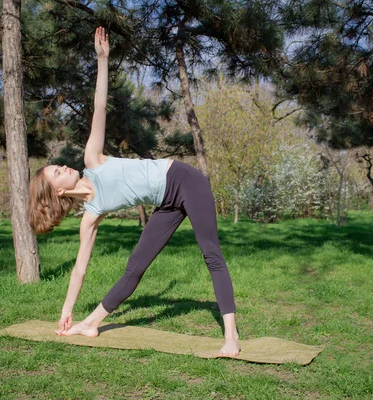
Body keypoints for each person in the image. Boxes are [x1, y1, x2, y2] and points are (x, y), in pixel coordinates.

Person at [27, 27, 240, 357]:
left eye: (58, 165)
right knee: (135, 266)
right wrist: (66, 311)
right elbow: (79, 269)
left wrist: (102, 61)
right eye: (57, 172)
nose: (63, 167)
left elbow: (99, 108)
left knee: (211, 252)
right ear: (56, 192)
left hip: (185, 180)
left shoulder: (92, 159)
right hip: (165, 203)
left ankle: (231, 340)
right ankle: (92, 322)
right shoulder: (90, 216)